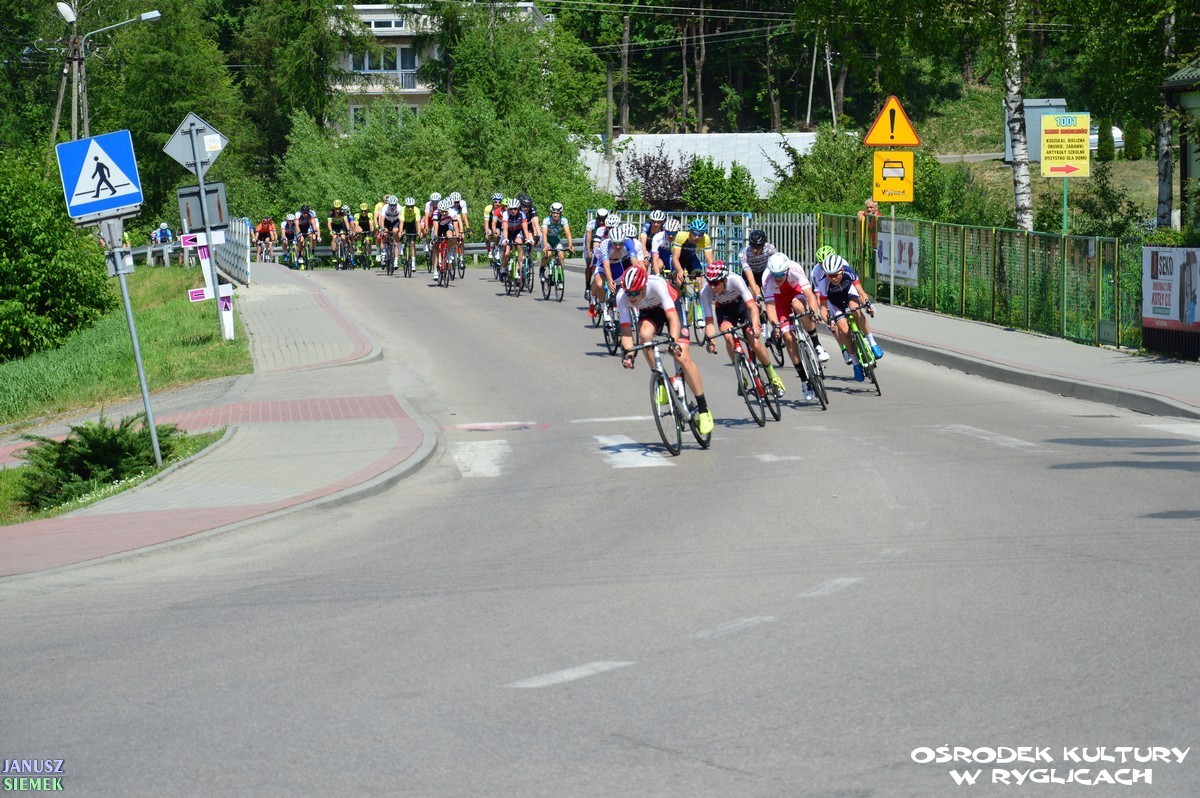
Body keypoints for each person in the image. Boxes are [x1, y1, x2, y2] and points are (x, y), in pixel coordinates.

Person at [618, 265, 714, 435]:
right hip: (649, 312)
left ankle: (703, 408)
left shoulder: (656, 285)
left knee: (682, 357)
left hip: (671, 308)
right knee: (644, 335)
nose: (631, 298)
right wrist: (630, 354)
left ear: (644, 287)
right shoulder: (622, 297)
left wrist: (674, 343)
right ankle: (660, 379)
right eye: (629, 293)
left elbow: (673, 318)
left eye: (635, 293)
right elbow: (626, 331)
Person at [700, 260, 786, 396]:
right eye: (710, 283)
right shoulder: (705, 292)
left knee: (755, 342)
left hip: (743, 306)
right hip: (725, 311)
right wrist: (711, 340)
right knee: (728, 336)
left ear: (724, 280)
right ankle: (741, 376)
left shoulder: (735, 280)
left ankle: (772, 376)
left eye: (716, 283)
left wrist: (756, 327)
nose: (713, 287)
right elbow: (709, 322)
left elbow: (752, 307)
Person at [761, 252, 828, 401]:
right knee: (789, 338)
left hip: (795, 293)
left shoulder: (795, 268)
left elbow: (809, 295)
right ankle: (804, 381)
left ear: (786, 270)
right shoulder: (767, 278)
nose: (778, 278)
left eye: (781, 274)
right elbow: (770, 307)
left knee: (799, 307)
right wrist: (775, 325)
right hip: (779, 302)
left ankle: (817, 345)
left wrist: (812, 312)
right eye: (775, 275)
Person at [812, 252, 884, 382]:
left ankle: (872, 343)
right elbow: (822, 308)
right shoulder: (823, 283)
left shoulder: (849, 272)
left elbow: (861, 292)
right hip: (835, 303)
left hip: (849, 293)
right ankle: (856, 364)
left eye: (836, 275)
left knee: (856, 310)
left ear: (842, 270)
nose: (833, 278)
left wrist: (867, 304)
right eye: (830, 275)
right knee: (845, 331)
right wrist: (828, 321)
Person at [671, 218, 715, 287]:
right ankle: (678, 293)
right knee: (679, 281)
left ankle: (700, 294)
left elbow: (710, 260)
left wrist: (711, 272)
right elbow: (675, 258)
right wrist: (680, 271)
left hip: (691, 258)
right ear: (690, 231)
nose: (697, 237)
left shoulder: (706, 238)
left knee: (699, 280)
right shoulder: (681, 236)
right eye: (695, 233)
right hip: (679, 258)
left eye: (700, 234)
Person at [540, 202, 574, 281]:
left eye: (557, 213)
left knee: (561, 256)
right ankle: (542, 269)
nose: (555, 215)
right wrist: (545, 246)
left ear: (560, 213)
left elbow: (568, 233)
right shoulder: (547, 220)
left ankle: (560, 275)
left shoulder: (564, 220)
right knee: (548, 254)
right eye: (553, 213)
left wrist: (570, 245)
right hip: (547, 240)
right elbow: (544, 234)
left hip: (556, 240)